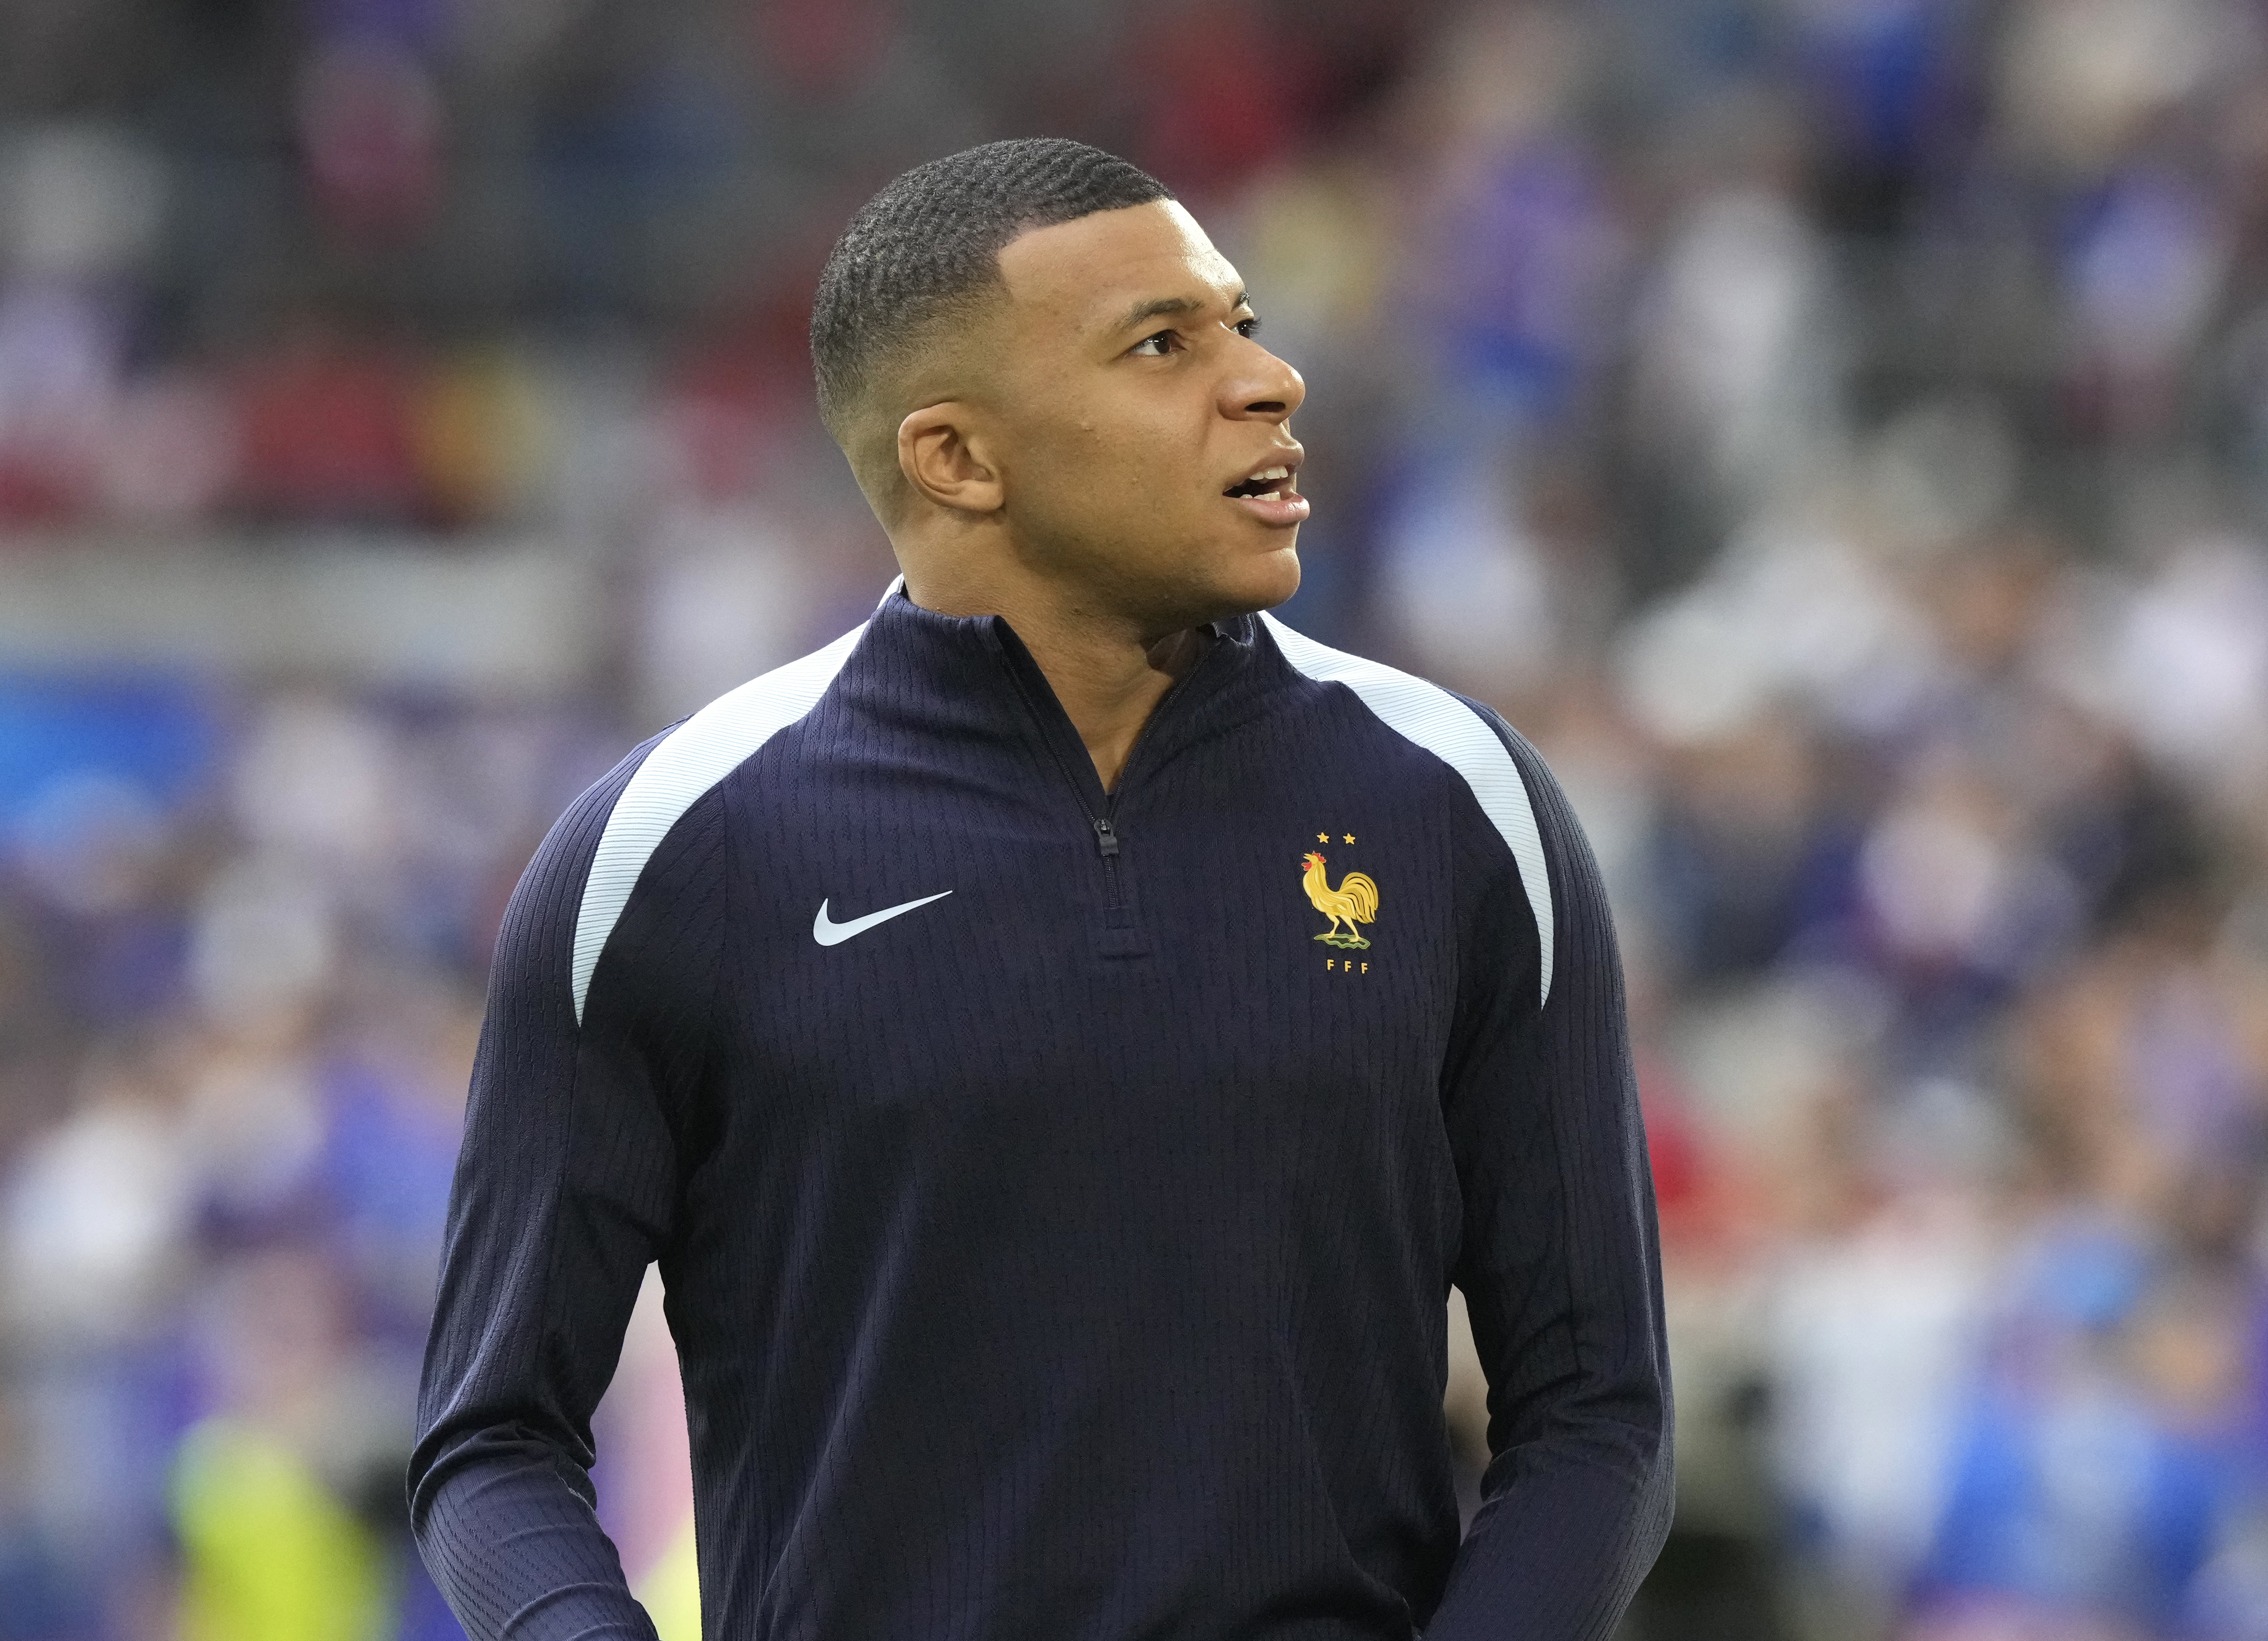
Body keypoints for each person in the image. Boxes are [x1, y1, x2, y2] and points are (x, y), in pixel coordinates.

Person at [410, 138, 1672, 1640]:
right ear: (956, 458)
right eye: (1163, 343)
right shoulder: (670, 849)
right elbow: (491, 1443)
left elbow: (1596, 1409)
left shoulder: (1465, 807)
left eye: (1242, 323)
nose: (1269, 383)